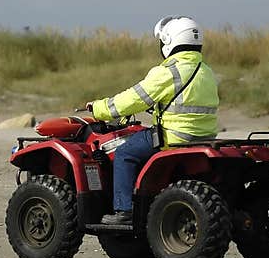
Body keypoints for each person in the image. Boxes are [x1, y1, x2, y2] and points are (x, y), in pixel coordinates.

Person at [84, 16, 220, 225]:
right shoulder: (206, 71)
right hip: (205, 136)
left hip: (173, 136)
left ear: (169, 41)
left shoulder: (169, 72)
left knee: (124, 153)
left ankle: (124, 211)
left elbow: (133, 98)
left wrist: (99, 109)